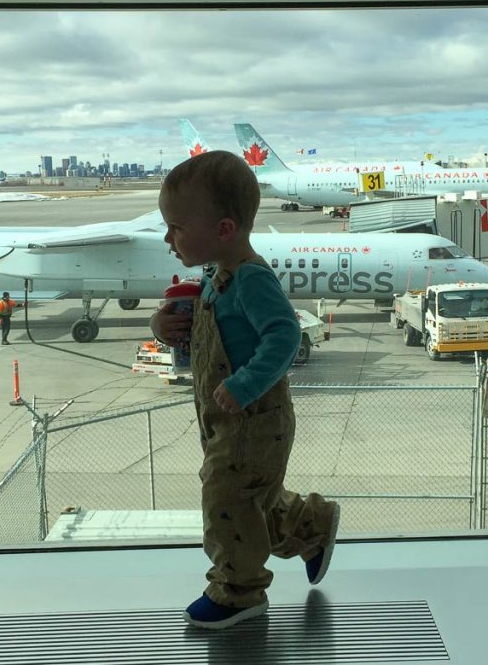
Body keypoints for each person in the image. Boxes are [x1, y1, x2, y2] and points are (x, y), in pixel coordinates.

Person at [151, 150, 340, 630]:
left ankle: (239, 593)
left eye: (176, 227)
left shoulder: (252, 279)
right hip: (226, 417)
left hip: (255, 415)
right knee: (251, 494)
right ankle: (311, 527)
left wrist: (245, 384)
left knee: (226, 498)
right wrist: (162, 325)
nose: (168, 238)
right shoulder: (217, 276)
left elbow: (285, 334)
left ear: (224, 230)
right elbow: (215, 327)